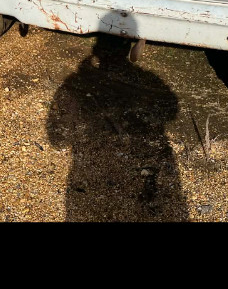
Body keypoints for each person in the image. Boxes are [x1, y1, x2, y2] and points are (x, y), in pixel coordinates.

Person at [46, 33, 188, 223]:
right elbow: (171, 110)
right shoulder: (146, 80)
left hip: (92, 176)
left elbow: (56, 139)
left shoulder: (73, 84)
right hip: (128, 172)